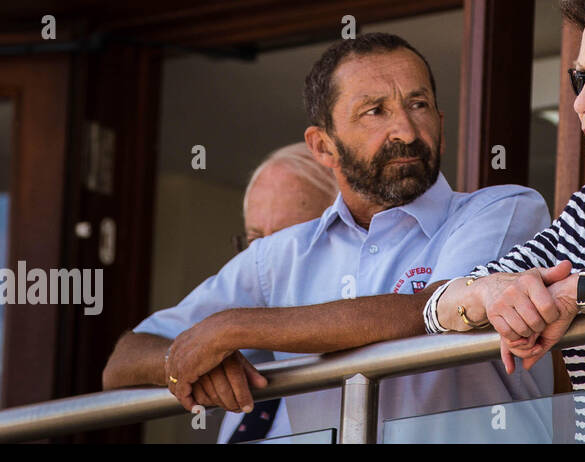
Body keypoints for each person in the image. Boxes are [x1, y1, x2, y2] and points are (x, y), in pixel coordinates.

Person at [160, 0, 585, 443]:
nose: (581, 105)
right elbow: (462, 297)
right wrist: (491, 297)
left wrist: (571, 293)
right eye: (579, 80)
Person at [103, 33, 553, 440]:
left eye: (418, 105)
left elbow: (438, 308)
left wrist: (229, 328)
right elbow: (122, 362)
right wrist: (185, 361)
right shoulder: (282, 255)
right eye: (375, 111)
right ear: (323, 146)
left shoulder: (502, 209)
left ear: (439, 118)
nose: (407, 130)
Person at [218, 142, 337, 443]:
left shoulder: (365, 372)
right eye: (255, 240)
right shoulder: (243, 357)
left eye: (286, 241)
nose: (263, 263)